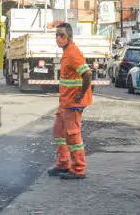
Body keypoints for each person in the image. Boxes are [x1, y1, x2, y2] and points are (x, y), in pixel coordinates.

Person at [47, 23, 92, 180]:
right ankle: (63, 164)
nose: (58, 38)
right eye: (57, 35)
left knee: (72, 135)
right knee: (59, 132)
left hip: (73, 102)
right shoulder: (67, 52)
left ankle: (78, 168)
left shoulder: (73, 53)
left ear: (69, 37)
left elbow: (87, 74)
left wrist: (80, 94)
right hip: (66, 102)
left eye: (62, 35)